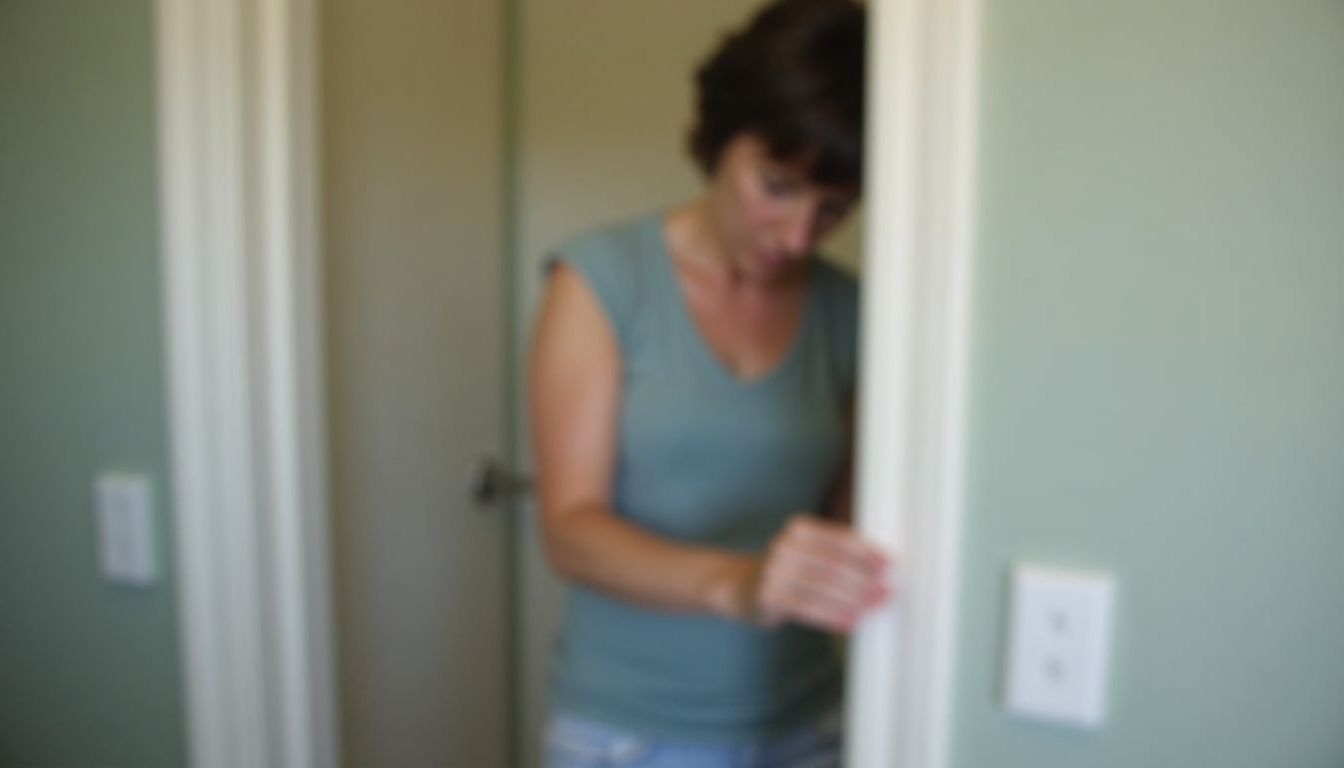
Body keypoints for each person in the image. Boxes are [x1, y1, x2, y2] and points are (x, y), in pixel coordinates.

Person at [528, 1, 889, 765]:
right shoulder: (603, 281)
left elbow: (850, 516)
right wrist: (738, 585)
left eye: (832, 209)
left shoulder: (848, 311)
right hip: (629, 733)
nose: (796, 236)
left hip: (804, 724)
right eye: (778, 185)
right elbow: (571, 529)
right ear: (723, 137)